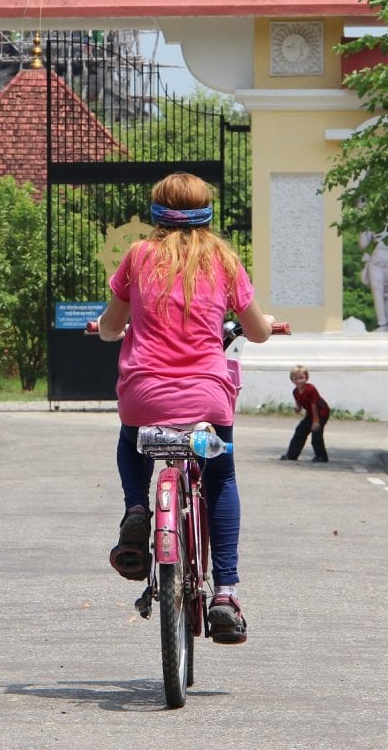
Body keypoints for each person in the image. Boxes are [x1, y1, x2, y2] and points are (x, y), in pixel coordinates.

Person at [93, 172, 274, 644]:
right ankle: (226, 594)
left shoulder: (138, 257)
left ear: (156, 212)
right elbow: (255, 332)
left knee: (131, 441)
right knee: (220, 477)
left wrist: (107, 328)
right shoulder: (224, 261)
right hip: (206, 403)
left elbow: (113, 327)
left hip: (144, 398)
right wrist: (269, 324)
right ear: (207, 211)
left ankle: (137, 509)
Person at [280, 365, 330, 462]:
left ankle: (321, 456)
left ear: (306, 378)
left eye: (301, 378)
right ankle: (292, 455)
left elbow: (314, 405)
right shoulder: (295, 392)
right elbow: (299, 405)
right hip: (311, 414)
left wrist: (316, 421)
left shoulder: (311, 389)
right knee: (300, 431)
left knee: (316, 434)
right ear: (292, 380)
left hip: (321, 413)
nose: (299, 381)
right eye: (296, 378)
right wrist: (297, 409)